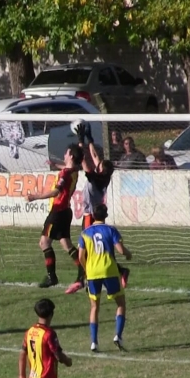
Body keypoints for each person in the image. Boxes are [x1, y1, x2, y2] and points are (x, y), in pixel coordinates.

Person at [67, 122, 130, 294]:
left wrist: (80, 141)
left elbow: (84, 161)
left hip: (90, 216)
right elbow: (94, 157)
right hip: (94, 215)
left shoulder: (96, 179)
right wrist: (90, 140)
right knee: (95, 248)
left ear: (101, 170)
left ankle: (82, 280)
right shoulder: (103, 176)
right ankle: (120, 271)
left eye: (100, 164)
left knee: (87, 248)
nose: (98, 162)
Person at [26, 144, 85, 289]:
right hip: (66, 211)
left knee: (44, 243)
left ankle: (52, 277)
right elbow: (67, 170)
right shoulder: (74, 171)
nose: (64, 154)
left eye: (66, 152)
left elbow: (56, 192)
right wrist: (55, 165)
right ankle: (84, 270)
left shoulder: (65, 174)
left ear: (71, 155)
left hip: (58, 212)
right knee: (66, 244)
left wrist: (35, 196)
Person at [78, 204, 133, 352]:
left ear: (93, 216)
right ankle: (118, 336)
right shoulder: (111, 230)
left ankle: (94, 342)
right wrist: (128, 254)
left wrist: (86, 269)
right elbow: (120, 250)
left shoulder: (85, 233)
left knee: (95, 307)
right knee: (120, 304)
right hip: (110, 270)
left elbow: (80, 256)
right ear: (106, 215)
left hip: (93, 273)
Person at [17, 298, 72, 378]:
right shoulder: (49, 334)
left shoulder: (29, 332)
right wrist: (68, 361)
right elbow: (58, 355)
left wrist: (21, 375)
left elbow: (22, 353)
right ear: (51, 314)